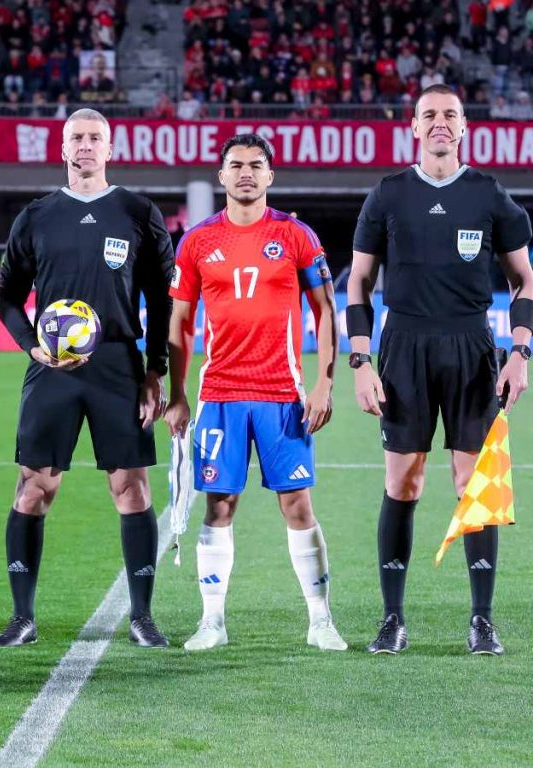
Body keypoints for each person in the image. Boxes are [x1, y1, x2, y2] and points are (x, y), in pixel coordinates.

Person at [348, 84, 533, 656]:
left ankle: (481, 621)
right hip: (403, 346)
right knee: (403, 480)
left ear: (464, 126)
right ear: (413, 126)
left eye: (450, 115)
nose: (440, 124)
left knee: (470, 483)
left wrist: (521, 350)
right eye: (429, 115)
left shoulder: (490, 196)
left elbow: (524, 280)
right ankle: (392, 618)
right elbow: (357, 282)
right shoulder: (388, 194)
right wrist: (360, 359)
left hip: (472, 347)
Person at [0, 108, 173, 648]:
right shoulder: (37, 216)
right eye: (77, 138)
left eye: (96, 138)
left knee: (132, 488)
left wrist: (155, 369)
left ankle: (142, 615)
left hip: (118, 365)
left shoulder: (137, 212)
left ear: (111, 148)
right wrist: (32, 345)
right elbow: (5, 297)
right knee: (33, 489)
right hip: (52, 370)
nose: (87, 146)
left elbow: (163, 298)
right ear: (64, 148)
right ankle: (22, 617)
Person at [165, 134, 347, 653]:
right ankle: (212, 622)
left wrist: (323, 382)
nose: (246, 173)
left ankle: (320, 620)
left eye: (256, 165)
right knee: (218, 506)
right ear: (221, 176)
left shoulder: (295, 236)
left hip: (281, 395)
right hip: (220, 394)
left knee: (297, 505)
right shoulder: (197, 241)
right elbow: (180, 321)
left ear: (271, 176)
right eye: (236, 165)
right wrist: (177, 394)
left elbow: (326, 310)